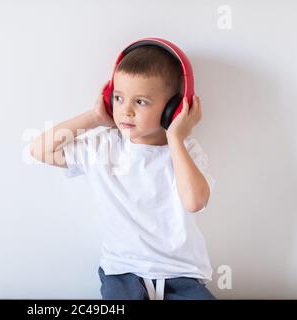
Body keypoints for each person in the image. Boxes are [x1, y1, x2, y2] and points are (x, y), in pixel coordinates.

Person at [29, 45, 216, 300]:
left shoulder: (185, 150)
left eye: (140, 101)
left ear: (173, 107)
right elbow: (39, 151)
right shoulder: (103, 146)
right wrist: (94, 117)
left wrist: (175, 136)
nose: (125, 110)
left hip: (181, 274)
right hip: (122, 271)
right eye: (118, 98)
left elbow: (194, 201)